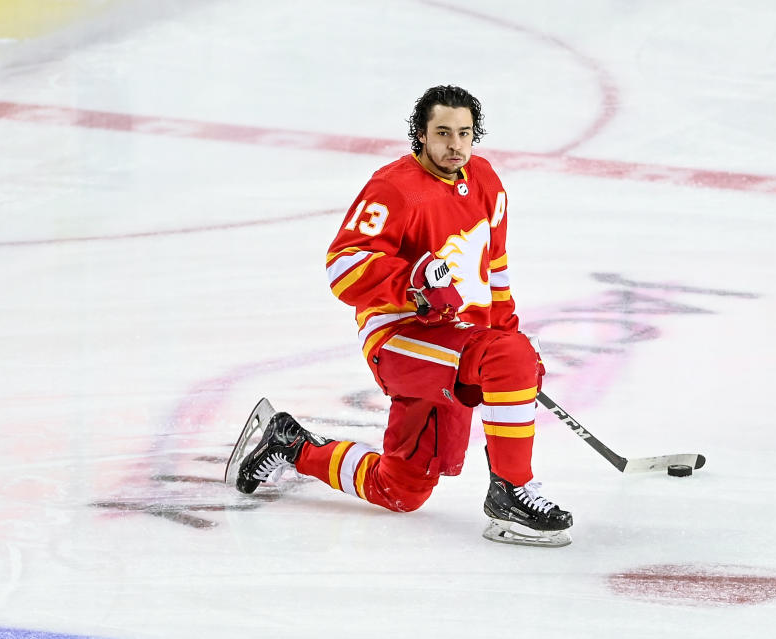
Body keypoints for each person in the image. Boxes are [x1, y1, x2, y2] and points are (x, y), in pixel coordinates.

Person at [230, 85, 572, 546]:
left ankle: (290, 443)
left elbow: (495, 269)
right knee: (509, 356)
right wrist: (415, 282)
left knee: (401, 489)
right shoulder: (394, 188)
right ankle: (511, 493)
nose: (455, 145)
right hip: (398, 336)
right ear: (420, 135)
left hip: (458, 341)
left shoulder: (487, 181)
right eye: (443, 133)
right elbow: (343, 268)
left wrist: (511, 348)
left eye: (465, 134)